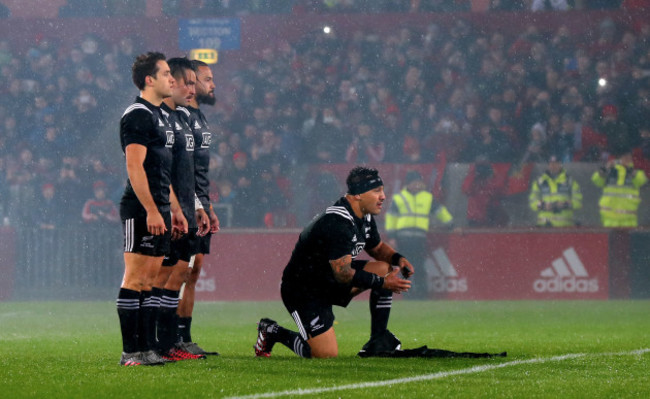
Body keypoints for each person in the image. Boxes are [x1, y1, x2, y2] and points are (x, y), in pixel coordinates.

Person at [254, 166, 414, 359]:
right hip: (304, 290)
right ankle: (273, 331)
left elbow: (377, 248)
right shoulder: (338, 223)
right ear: (357, 195)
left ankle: (377, 341)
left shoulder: (365, 215)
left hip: (329, 281)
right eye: (376, 191)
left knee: (385, 268)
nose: (383, 196)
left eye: (382, 190)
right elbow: (343, 274)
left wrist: (399, 258)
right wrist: (383, 283)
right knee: (324, 355)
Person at [116, 52, 187, 367]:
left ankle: (147, 349)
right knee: (135, 279)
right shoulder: (137, 114)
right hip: (140, 208)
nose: (172, 79)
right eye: (166, 73)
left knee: (150, 281)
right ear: (149, 79)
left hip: (159, 206)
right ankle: (130, 352)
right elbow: (135, 167)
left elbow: (161, 168)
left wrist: (173, 207)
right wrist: (151, 210)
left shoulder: (162, 115)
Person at [152, 57, 209, 361]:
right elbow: (164, 171)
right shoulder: (158, 119)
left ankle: (169, 342)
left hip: (187, 209)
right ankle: (154, 343)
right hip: (169, 211)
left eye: (192, 81)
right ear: (170, 82)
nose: (192, 87)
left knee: (177, 276)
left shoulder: (183, 119)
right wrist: (173, 206)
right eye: (187, 81)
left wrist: (198, 205)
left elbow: (186, 171)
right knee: (160, 278)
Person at [173, 59, 220, 356]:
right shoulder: (180, 116)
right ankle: (170, 338)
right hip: (187, 204)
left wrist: (207, 203)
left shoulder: (198, 116)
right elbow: (183, 167)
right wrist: (195, 203)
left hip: (199, 202)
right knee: (178, 270)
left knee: (193, 269)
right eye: (206, 78)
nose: (211, 84)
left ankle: (184, 336)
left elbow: (199, 169)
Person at [385, 170, 453, 299]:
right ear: (408, 184)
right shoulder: (399, 198)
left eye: (419, 182)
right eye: (415, 182)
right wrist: (392, 236)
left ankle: (422, 294)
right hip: (403, 238)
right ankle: (409, 295)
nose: (417, 185)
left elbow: (440, 211)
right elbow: (391, 218)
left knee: (419, 266)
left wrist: (451, 224)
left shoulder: (427, 197)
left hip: (419, 238)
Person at [591, 151, 648, 227]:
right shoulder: (610, 170)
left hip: (628, 219)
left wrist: (629, 169)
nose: (626, 160)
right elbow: (596, 180)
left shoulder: (635, 171)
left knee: (626, 237)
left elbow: (642, 181)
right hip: (609, 218)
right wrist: (606, 168)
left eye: (628, 157)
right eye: (624, 157)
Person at [529, 155, 582, 227]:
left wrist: (565, 204)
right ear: (548, 165)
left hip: (565, 227)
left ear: (560, 165)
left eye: (556, 163)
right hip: (544, 227)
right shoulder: (540, 182)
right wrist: (543, 205)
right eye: (551, 164)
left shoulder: (569, 181)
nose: (553, 166)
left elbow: (578, 202)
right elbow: (532, 201)